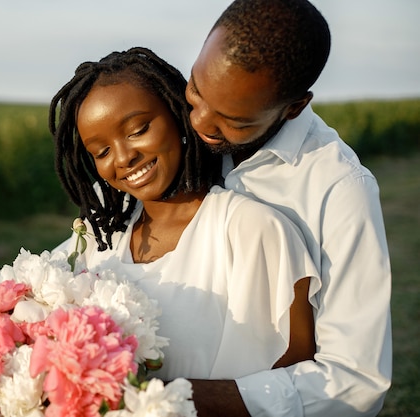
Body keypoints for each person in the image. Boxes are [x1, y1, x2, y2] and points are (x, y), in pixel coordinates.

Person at [50, 46, 321, 414]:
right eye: (100, 152)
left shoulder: (252, 230)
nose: (123, 156)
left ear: (179, 116)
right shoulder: (100, 242)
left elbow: (295, 377)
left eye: (139, 129)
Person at [185, 0, 392, 415]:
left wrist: (181, 398)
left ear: (293, 107)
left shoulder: (339, 189)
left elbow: (355, 379)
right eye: (195, 89)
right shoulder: (175, 130)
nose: (200, 123)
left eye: (235, 122)